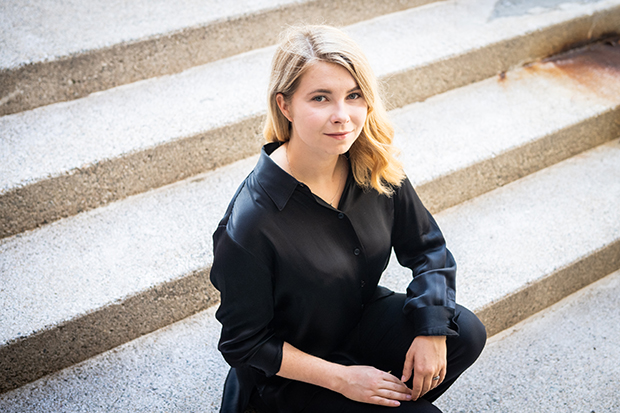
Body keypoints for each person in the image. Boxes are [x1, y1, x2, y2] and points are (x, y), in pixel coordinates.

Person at [210, 25, 486, 413]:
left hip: (355, 323)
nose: (343, 116)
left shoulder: (372, 168)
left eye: (354, 95)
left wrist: (431, 330)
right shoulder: (251, 221)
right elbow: (244, 343)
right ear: (285, 105)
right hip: (286, 381)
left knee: (464, 332)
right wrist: (344, 380)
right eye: (321, 98)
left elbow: (428, 248)